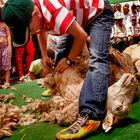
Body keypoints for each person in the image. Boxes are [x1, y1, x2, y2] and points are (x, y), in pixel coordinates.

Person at [1, 0, 114, 139]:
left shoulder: (52, 11)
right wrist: (43, 56)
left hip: (99, 13)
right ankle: (59, 87)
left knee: (97, 58)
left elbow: (81, 36)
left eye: (28, 30)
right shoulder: (36, 12)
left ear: (35, 14)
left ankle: (90, 115)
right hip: (77, 17)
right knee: (60, 53)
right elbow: (40, 31)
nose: (30, 33)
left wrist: (69, 60)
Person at [0, 15, 11, 88]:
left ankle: (7, 82)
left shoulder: (4, 24)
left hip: (5, 47)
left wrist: (9, 46)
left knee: (6, 65)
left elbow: (9, 35)